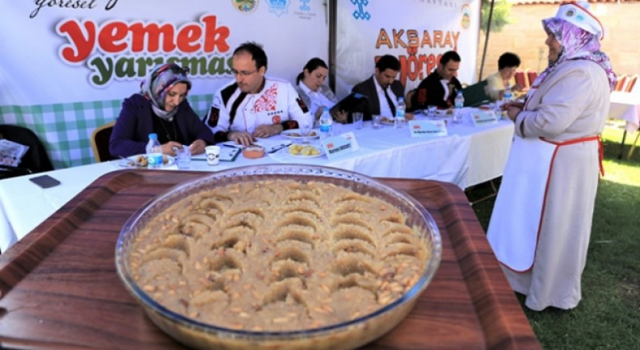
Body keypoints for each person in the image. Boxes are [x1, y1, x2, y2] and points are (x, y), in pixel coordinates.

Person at [487, 1, 616, 311]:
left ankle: (546, 290)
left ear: (574, 35)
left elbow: (550, 122)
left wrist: (518, 116)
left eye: (554, 35)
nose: (548, 41)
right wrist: (522, 109)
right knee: (543, 224)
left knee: (552, 226)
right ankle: (526, 280)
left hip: (560, 164)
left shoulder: (581, 72)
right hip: (553, 160)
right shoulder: (574, 66)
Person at [204, 42, 313, 146]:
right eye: (235, 72)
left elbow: (307, 120)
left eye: (245, 73)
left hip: (280, 154)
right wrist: (231, 135)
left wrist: (277, 128)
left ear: (261, 70)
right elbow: (210, 132)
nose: (239, 79)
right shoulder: (224, 94)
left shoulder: (284, 88)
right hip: (241, 157)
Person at [109, 63, 215, 158]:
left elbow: (204, 132)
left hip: (181, 170)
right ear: (158, 89)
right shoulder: (135, 105)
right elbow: (116, 145)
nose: (177, 102)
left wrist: (202, 142)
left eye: (182, 95)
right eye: (172, 94)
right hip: (146, 173)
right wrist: (156, 150)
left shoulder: (182, 105)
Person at [295, 58, 347, 123]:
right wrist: (317, 115)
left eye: (324, 78)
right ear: (306, 72)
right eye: (318, 76)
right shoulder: (295, 94)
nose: (321, 82)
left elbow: (337, 107)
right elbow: (300, 122)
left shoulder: (325, 89)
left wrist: (341, 117)